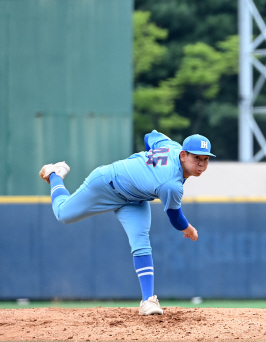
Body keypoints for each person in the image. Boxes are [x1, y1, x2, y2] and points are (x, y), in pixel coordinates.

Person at [39, 130, 215, 316]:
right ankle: (55, 175)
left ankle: (148, 300)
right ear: (183, 155)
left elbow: (150, 136)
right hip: (107, 184)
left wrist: (148, 166)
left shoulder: (171, 146)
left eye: (206, 159)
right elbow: (175, 218)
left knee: (141, 242)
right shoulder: (171, 184)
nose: (201, 164)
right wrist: (190, 229)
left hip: (135, 200)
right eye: (196, 157)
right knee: (63, 214)